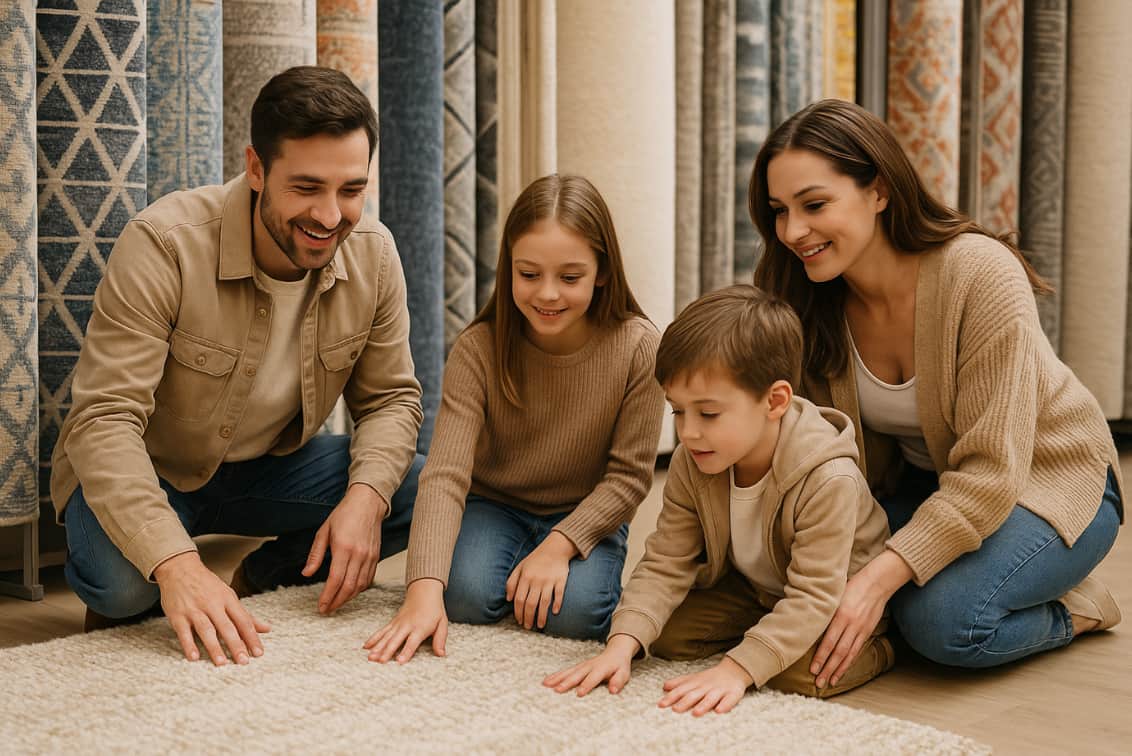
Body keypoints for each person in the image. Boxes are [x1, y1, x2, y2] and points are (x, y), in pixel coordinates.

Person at [51, 66, 425, 667]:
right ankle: (162, 580)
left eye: (351, 190)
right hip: (150, 467)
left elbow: (390, 401)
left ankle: (264, 575)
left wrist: (366, 499)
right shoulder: (165, 243)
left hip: (267, 470)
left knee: (418, 491)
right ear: (256, 169)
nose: (331, 216)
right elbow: (104, 421)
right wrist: (175, 565)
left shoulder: (375, 255)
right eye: (307, 188)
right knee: (123, 589)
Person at [746, 98, 1123, 683]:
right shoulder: (807, 300)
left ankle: (1078, 608)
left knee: (944, 622)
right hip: (930, 488)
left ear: (879, 191)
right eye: (779, 211)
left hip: (1046, 482)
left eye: (814, 205)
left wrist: (877, 580)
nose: (793, 231)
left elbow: (992, 473)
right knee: (805, 587)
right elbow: (819, 453)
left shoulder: (979, 273)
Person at [544, 284, 893, 715]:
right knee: (661, 636)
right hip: (756, 590)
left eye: (708, 413)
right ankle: (765, 634)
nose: (688, 432)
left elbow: (813, 596)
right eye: (678, 411)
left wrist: (735, 670)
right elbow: (666, 560)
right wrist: (619, 647)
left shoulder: (827, 478)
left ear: (775, 401)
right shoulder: (695, 459)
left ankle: (882, 647)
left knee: (798, 674)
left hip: (833, 602)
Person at [364, 174, 665, 663]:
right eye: (528, 274)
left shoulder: (639, 348)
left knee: (577, 617)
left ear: (603, 272)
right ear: (508, 268)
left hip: (584, 509)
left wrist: (561, 546)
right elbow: (445, 476)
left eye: (570, 278)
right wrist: (421, 591)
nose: (547, 294)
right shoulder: (478, 348)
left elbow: (628, 479)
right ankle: (515, 569)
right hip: (495, 504)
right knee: (462, 598)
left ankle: (537, 567)